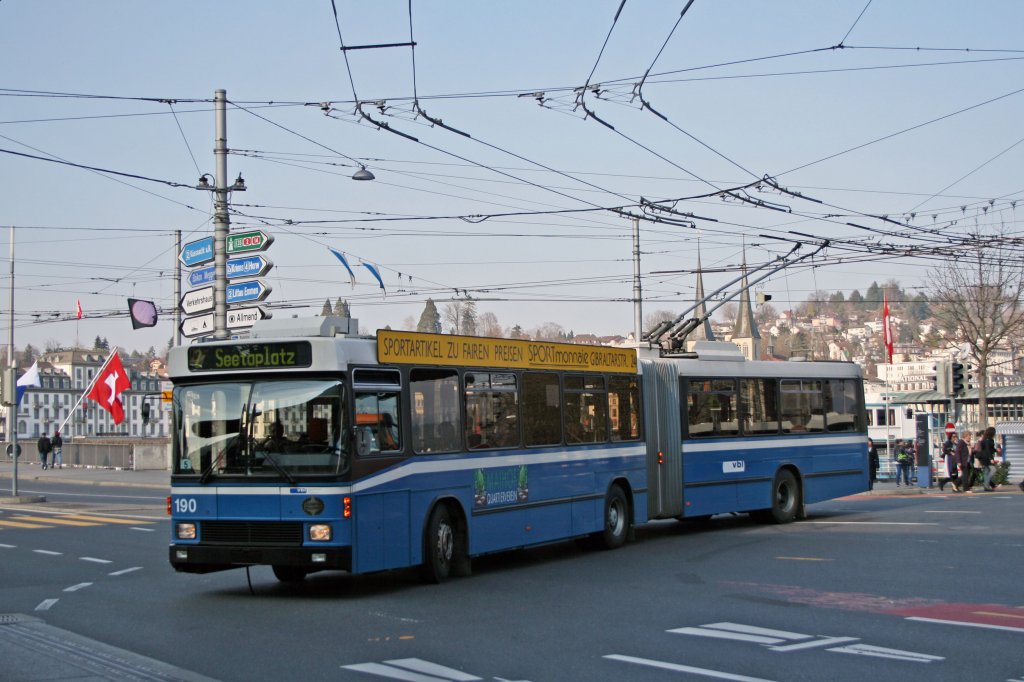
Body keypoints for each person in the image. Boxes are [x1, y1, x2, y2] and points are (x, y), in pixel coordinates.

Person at [977, 426, 997, 491]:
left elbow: (990, 449)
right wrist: (991, 458)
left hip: (984, 458)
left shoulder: (985, 439)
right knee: (993, 470)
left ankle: (986, 486)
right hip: (987, 458)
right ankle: (986, 484)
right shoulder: (988, 440)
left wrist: (996, 450)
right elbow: (988, 450)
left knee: (986, 471)